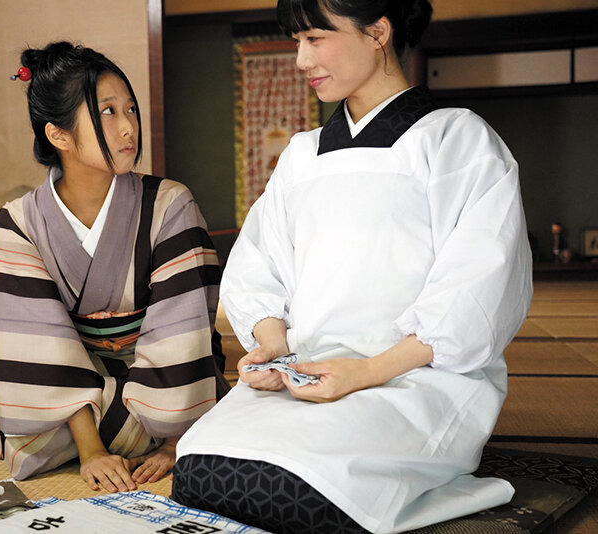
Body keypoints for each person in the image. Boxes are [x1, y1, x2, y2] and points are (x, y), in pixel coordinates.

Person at [171, 1, 533, 533]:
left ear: (378, 32)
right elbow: (260, 262)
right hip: (311, 373)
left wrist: (365, 373)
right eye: (297, 41)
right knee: (198, 468)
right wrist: (273, 347)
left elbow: (480, 287)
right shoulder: (303, 154)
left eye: (316, 38)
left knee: (300, 489)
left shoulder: (457, 140)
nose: (301, 59)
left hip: (414, 379)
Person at [0, 41, 230, 492]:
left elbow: (183, 329)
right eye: (108, 112)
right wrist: (92, 450)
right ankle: (101, 430)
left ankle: (176, 429)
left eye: (130, 109)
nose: (129, 126)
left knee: (186, 416)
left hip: (164, 376)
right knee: (30, 426)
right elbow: (42, 346)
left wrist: (175, 441)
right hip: (80, 377)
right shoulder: (20, 221)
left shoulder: (170, 204)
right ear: (59, 135)